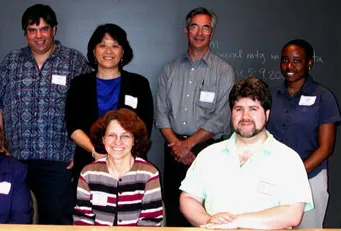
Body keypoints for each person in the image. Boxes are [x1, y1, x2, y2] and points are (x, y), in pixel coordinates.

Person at [0, 4, 90, 225]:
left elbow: (87, 108)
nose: (39, 36)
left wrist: (80, 150)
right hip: (16, 158)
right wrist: (0, 143)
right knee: (16, 219)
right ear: (25, 32)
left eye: (44, 29)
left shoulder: (74, 61)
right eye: (32, 30)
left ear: (54, 30)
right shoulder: (11, 61)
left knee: (57, 221)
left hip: (59, 160)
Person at [179, 77, 313, 229]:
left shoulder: (288, 160)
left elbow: (293, 214)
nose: (245, 117)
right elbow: (188, 198)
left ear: (267, 114)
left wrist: (235, 222)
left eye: (253, 109)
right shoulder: (208, 155)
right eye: (239, 109)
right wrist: (207, 221)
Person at [155, 7, 235, 226]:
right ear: (186, 30)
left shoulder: (224, 71)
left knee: (207, 213)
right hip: (173, 150)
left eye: (205, 27)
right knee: (173, 208)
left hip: (208, 150)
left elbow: (221, 116)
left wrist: (187, 146)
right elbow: (161, 113)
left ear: (212, 33)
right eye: (194, 26)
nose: (199, 33)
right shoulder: (169, 69)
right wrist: (177, 146)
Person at [66, 23, 154, 182]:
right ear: (94, 50)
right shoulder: (79, 84)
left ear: (123, 51)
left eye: (115, 46)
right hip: (89, 161)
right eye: (102, 46)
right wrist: (96, 152)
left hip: (130, 163)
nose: (108, 51)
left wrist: (121, 153)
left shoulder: (139, 84)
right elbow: (73, 126)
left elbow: (144, 126)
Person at [267, 39, 341, 228]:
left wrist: (296, 172)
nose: (289, 66)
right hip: (272, 178)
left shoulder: (323, 97)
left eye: (297, 60)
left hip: (310, 179)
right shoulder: (271, 95)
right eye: (284, 60)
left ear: (309, 63)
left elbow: (325, 148)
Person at [73, 108, 163, 226]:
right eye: (111, 135)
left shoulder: (149, 174)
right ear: (103, 139)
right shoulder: (88, 174)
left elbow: (151, 223)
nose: (118, 142)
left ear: (134, 140)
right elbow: (82, 220)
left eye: (125, 136)